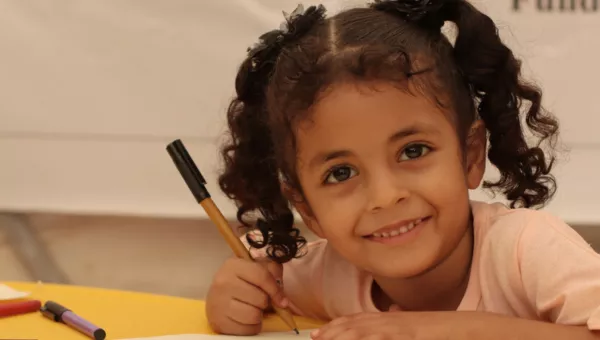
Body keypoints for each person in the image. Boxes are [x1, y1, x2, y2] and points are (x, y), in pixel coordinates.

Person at [205, 0, 600, 338]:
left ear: (471, 155)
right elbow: (255, 275)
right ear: (307, 208)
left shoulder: (526, 250)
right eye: (341, 173)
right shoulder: (327, 272)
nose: (385, 195)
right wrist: (236, 292)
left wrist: (442, 329)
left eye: (413, 151)